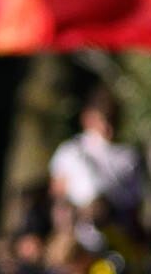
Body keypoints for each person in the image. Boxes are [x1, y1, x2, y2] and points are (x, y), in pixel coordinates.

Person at [48, 88, 142, 220]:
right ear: (88, 118)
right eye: (104, 119)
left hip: (115, 227)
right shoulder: (70, 151)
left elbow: (134, 203)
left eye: (113, 119)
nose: (109, 126)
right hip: (77, 227)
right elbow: (57, 194)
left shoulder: (129, 155)